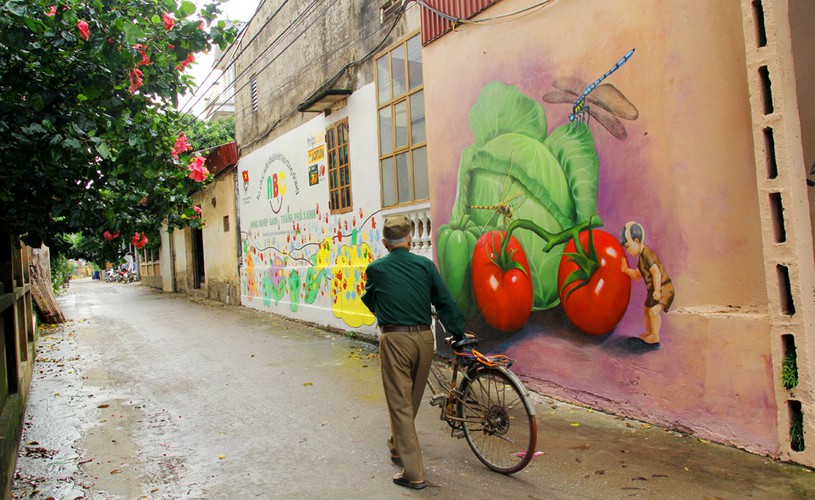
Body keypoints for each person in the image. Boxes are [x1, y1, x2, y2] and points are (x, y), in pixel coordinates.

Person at [361, 214, 466, 490]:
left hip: (395, 340)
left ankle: (414, 473)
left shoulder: (376, 270)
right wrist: (458, 333)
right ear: (409, 239)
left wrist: (384, 308)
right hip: (425, 340)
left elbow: (369, 298)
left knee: (400, 404)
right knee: (411, 400)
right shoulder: (425, 266)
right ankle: (397, 446)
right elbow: (444, 301)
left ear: (385, 243)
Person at [620, 221, 675, 344]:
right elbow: (637, 276)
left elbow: (656, 272)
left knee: (653, 311)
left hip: (664, 287)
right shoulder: (641, 259)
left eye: (628, 246)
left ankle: (655, 336)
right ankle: (650, 332)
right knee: (646, 309)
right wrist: (625, 270)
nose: (627, 251)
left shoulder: (647, 253)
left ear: (636, 241)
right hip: (655, 289)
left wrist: (657, 291)